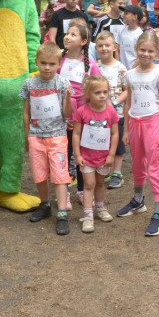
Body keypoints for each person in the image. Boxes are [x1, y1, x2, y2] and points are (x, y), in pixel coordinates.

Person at [117, 30, 159, 236]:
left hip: (154, 123)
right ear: (136, 49)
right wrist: (125, 129)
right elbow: (128, 101)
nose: (146, 54)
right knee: (137, 163)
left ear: (157, 51)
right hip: (135, 124)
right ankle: (138, 201)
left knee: (155, 166)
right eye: (142, 50)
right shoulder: (129, 75)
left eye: (150, 51)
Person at [20, 41, 73, 236]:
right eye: (43, 63)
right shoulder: (29, 84)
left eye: (52, 64)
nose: (47, 67)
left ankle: (61, 213)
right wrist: (27, 135)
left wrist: (68, 99)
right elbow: (26, 112)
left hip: (57, 136)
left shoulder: (62, 83)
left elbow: (67, 114)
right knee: (39, 174)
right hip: (36, 136)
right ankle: (45, 203)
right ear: (36, 62)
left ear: (59, 64)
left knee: (60, 176)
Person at [58, 21, 100, 206]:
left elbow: (96, 92)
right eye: (67, 33)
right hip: (61, 114)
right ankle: (64, 190)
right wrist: (65, 116)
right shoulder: (59, 60)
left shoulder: (90, 66)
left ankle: (82, 190)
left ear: (83, 41)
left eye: (73, 35)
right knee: (64, 154)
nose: (67, 36)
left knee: (82, 154)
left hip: (82, 118)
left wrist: (82, 118)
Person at [71, 75, 119, 234]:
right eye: (98, 92)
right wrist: (77, 155)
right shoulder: (81, 111)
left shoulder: (111, 111)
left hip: (104, 158)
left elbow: (114, 134)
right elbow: (76, 134)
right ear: (88, 94)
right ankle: (88, 214)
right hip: (87, 158)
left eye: (105, 92)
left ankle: (100, 207)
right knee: (89, 184)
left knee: (100, 184)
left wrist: (111, 154)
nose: (102, 96)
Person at [93, 31, 128, 190]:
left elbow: (127, 90)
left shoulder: (120, 68)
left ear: (114, 47)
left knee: (118, 141)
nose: (104, 48)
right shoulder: (95, 66)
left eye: (107, 45)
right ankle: (104, 169)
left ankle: (117, 173)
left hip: (117, 112)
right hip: (98, 112)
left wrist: (113, 103)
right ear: (96, 48)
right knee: (103, 140)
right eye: (100, 46)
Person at [114, 4, 143, 70]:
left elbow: (140, 56)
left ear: (135, 17)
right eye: (124, 13)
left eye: (126, 13)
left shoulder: (140, 34)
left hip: (134, 69)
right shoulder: (121, 31)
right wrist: (119, 67)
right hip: (121, 69)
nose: (123, 15)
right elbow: (117, 50)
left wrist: (131, 70)